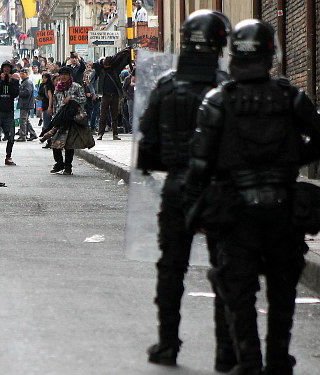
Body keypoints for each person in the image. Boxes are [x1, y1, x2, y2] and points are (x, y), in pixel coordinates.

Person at [184, 19, 320, 375]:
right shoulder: (292, 98)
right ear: (271, 54)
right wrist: (292, 160)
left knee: (238, 292)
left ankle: (249, 361)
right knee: (282, 290)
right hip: (283, 208)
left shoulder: (218, 100)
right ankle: (277, 360)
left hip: (236, 211)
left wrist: (193, 208)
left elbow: (200, 163)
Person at [137, 10, 234, 371]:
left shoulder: (164, 84)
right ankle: (227, 351)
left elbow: (147, 143)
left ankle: (167, 344)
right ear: (219, 43)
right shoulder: (226, 86)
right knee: (226, 268)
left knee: (171, 267)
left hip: (177, 186)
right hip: (219, 190)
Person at [44, 66, 87, 175]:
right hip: (59, 119)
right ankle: (59, 163)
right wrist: (52, 112)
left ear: (69, 76)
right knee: (55, 143)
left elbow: (83, 99)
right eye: (61, 74)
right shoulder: (57, 88)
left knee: (69, 145)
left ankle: (68, 167)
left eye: (65, 74)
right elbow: (56, 102)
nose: (63, 77)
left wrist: (72, 98)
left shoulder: (76, 87)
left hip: (71, 119)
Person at [91, 48, 132, 140]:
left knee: (114, 116)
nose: (107, 65)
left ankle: (115, 134)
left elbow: (123, 63)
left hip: (114, 95)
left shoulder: (115, 70)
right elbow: (95, 64)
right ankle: (100, 133)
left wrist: (122, 54)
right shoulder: (101, 71)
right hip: (105, 95)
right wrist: (104, 61)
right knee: (103, 115)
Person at [17, 68, 37, 141]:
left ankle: (23, 135)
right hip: (25, 103)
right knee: (25, 119)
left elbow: (26, 93)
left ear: (27, 74)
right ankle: (32, 133)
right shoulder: (24, 82)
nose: (21, 75)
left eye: (23, 74)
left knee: (23, 120)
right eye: (21, 74)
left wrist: (19, 91)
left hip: (26, 103)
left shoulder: (27, 82)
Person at [38, 72, 55, 148]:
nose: (43, 79)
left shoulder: (48, 86)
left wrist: (49, 106)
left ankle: (50, 141)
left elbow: (50, 97)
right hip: (45, 105)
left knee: (47, 125)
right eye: (43, 78)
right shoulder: (44, 85)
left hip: (47, 106)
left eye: (45, 78)